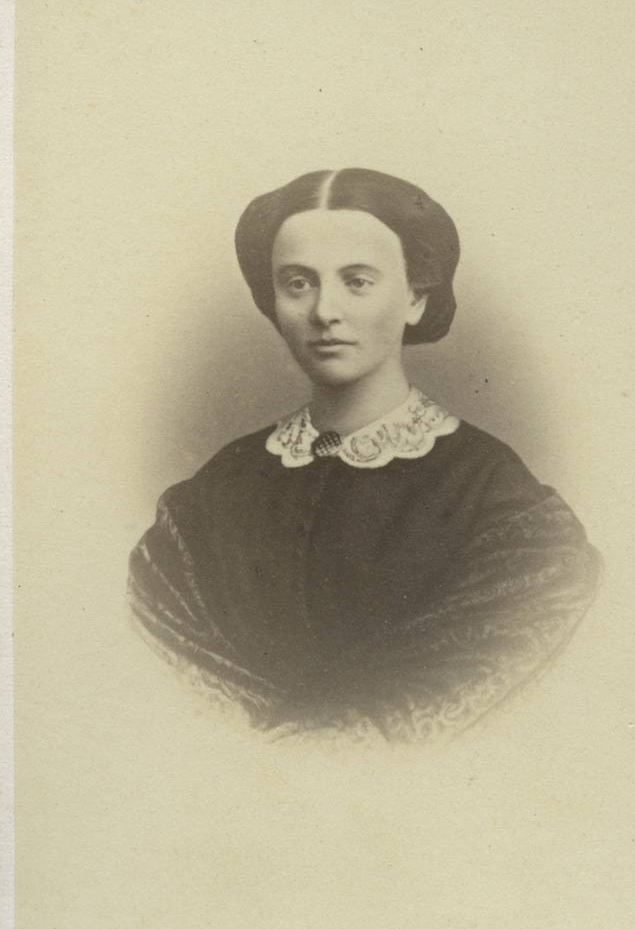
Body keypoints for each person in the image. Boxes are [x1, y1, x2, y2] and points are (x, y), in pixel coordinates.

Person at [128, 168, 601, 739]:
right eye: (298, 283)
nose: (325, 311)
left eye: (357, 281)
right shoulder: (213, 491)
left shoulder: (496, 496)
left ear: (415, 299)